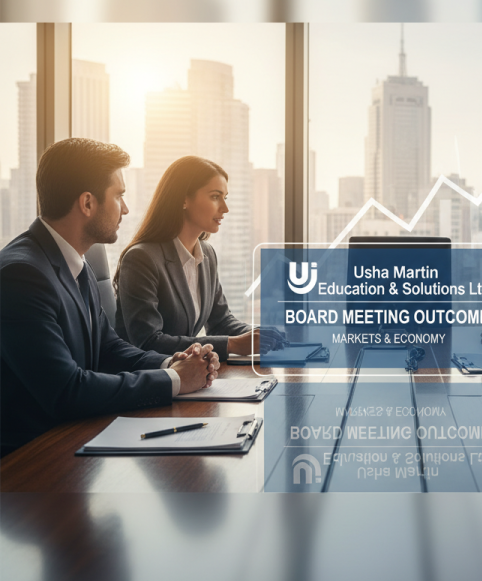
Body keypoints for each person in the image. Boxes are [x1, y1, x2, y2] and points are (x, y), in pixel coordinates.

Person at [0, 139, 220, 457]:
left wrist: (172, 362)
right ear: (87, 203)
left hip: (76, 437)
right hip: (32, 459)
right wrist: (173, 380)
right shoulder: (22, 275)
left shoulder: (76, 261)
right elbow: (66, 390)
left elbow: (108, 347)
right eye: (119, 195)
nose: (125, 208)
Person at [114, 155, 283, 361]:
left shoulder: (207, 254)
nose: (225, 208)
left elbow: (221, 322)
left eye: (225, 197)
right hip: (149, 375)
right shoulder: (141, 259)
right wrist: (234, 344)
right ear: (184, 199)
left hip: (188, 373)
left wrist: (264, 335)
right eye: (215, 196)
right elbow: (149, 341)